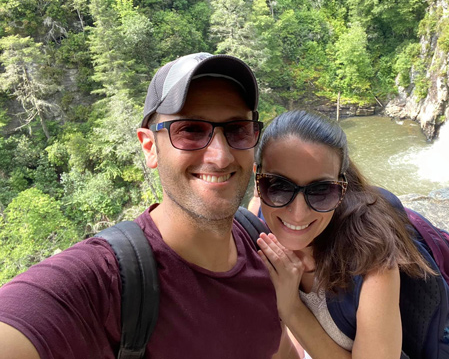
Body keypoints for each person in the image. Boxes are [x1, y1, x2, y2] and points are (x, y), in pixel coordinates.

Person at [0, 52, 299, 359]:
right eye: (191, 131)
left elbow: (277, 348)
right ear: (149, 147)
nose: (220, 157)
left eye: (237, 129)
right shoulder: (107, 281)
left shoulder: (263, 249)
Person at [250, 110, 433, 359]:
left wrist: (291, 307)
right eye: (278, 186)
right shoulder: (257, 219)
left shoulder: (371, 259)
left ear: (341, 187)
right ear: (257, 179)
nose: (298, 213)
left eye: (321, 191)